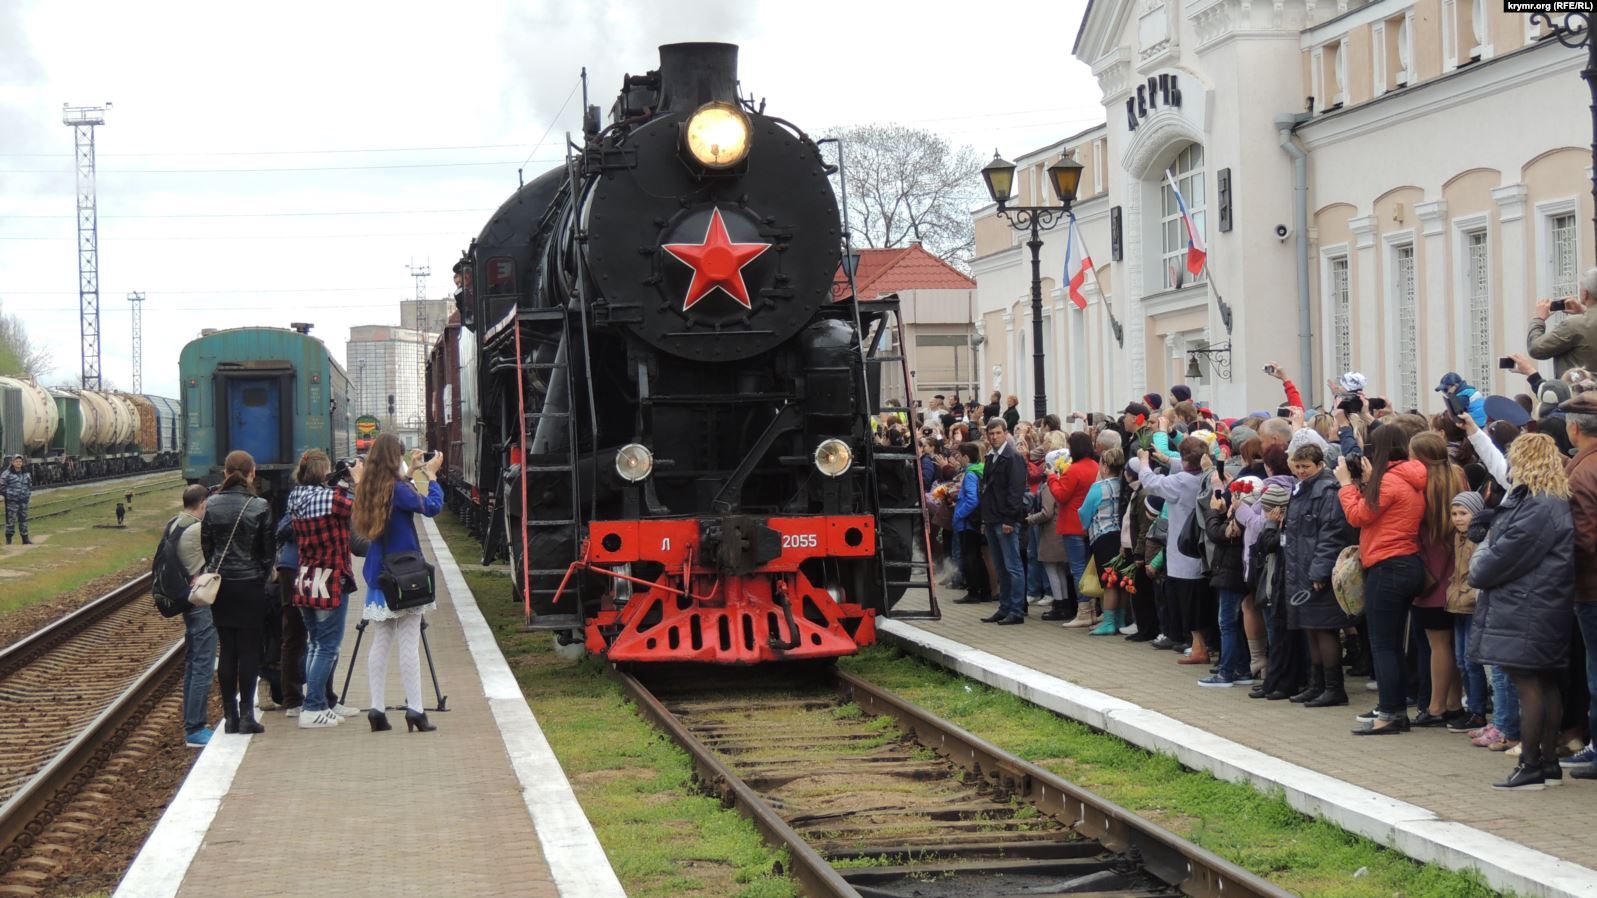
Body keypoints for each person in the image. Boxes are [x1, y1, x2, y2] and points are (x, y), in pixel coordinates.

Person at [1467, 433, 1577, 789]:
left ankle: (1532, 765)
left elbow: (1494, 563)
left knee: (1529, 685)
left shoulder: (1538, 505)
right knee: (1544, 684)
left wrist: (1481, 554)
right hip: (1540, 604)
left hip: (1526, 606)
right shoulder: (1545, 500)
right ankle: (1547, 764)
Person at [1336, 424, 1428, 735]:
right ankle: (1394, 707)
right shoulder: (1408, 477)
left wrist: (1347, 485)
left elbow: (1359, 516)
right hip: (1406, 563)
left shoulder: (1389, 482)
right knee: (1393, 644)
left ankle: (1390, 712)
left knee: (1384, 645)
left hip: (1388, 566)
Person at [352, 435, 445, 733]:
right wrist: (430, 476)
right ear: (395, 458)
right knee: (408, 641)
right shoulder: (399, 489)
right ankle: (415, 711)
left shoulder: (368, 488)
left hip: (379, 575)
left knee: (380, 641)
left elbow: (395, 494)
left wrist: (412, 472)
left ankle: (376, 710)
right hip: (405, 576)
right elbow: (431, 506)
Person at [286, 450, 360, 729]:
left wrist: (342, 484)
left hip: (306, 579)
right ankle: (313, 706)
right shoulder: (332, 499)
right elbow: (358, 509)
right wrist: (358, 480)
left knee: (316, 644)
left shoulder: (295, 498)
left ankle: (317, 702)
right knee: (327, 646)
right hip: (330, 581)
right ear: (323, 472)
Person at [202, 450, 275, 735]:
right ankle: (247, 714)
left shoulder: (210, 505)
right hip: (250, 585)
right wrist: (257, 574)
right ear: (252, 473)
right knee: (249, 651)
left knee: (228, 649)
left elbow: (208, 549)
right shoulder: (260, 506)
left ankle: (229, 716)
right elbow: (268, 554)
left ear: (225, 473)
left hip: (221, 587)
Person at [1129, 437, 1214, 664]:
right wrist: (1166, 459)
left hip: (1182, 553)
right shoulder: (1207, 475)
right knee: (1200, 602)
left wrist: (1144, 460)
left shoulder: (1181, 482)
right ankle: (1201, 645)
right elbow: (1188, 466)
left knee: (1189, 605)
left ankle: (1198, 648)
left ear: (1185, 459)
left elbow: (1150, 481)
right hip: (1199, 549)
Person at [1282, 443, 1355, 706]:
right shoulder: (1302, 488)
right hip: (1301, 567)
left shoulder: (1327, 490)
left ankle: (1334, 688)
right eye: (1297, 466)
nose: (1301, 471)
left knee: (1325, 629)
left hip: (1316, 570)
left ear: (1319, 464)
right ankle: (1317, 684)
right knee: (1310, 628)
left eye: (1306, 467)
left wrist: (1320, 571)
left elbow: (1331, 535)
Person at [1409, 432, 1467, 728]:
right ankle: (1455, 703)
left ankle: (1435, 707)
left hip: (1429, 576)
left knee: (1437, 644)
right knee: (1452, 644)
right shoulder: (1458, 476)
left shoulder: (1421, 486)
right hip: (1455, 573)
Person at [1558, 393, 1597, 775]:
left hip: (1591, 587)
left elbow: (1584, 539)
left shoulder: (1582, 471)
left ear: (1573, 427)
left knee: (1596, 672)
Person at [173, 484, 216, 747]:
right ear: (202, 504)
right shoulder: (197, 529)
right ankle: (195, 728)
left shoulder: (175, 523)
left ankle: (192, 723)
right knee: (202, 664)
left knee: (192, 662)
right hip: (200, 602)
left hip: (187, 601)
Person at [1446, 491, 1489, 735]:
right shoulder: (1458, 538)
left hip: (1471, 603)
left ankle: (1477, 710)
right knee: (1461, 659)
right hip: (1458, 603)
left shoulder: (1478, 539)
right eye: (1454, 514)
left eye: (1463, 513)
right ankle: (1473, 706)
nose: (1458, 519)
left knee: (1471, 660)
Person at [1047, 431, 1100, 628]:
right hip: (1090, 524)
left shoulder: (1074, 469)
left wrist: (1052, 478)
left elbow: (1061, 495)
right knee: (1089, 568)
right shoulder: (1095, 466)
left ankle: (1084, 610)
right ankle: (1093, 610)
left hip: (1073, 523)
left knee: (1078, 569)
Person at [978, 419, 1028, 625]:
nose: (994, 437)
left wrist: (1009, 519)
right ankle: (1004, 607)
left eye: (998, 433)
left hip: (1005, 519)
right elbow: (987, 490)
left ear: (1005, 433)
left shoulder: (1013, 457)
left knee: (1012, 566)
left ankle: (1016, 609)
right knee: (1000, 567)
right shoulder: (991, 457)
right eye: (991, 433)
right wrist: (984, 519)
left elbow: (1015, 492)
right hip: (991, 518)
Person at [1080, 448, 1126, 636]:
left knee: (1109, 583)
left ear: (1105, 467)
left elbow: (1085, 513)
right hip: (1122, 537)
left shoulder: (1098, 487)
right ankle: (1122, 619)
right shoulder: (1124, 485)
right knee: (1122, 581)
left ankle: (1108, 622)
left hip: (1102, 536)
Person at [1528, 271, 1597, 376]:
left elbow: (1536, 349)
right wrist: (1583, 311)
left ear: (1585, 293)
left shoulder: (1573, 325)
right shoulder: (1581, 322)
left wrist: (1538, 319)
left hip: (1581, 390)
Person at [951, 443, 991, 605]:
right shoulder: (978, 471)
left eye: (960, 456)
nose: (958, 459)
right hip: (974, 521)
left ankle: (973, 592)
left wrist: (958, 515)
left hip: (967, 522)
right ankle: (985, 591)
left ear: (966, 457)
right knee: (977, 557)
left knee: (970, 558)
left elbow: (972, 500)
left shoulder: (970, 475)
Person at [2, 455, 32, 545]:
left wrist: (27, 494)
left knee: (24, 519)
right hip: (12, 501)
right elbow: (1, 486)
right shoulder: (7, 474)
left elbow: (29, 485)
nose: (18, 463)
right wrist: (8, 494)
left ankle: (25, 539)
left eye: (20, 461)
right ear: (12, 462)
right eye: (16, 461)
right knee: (10, 520)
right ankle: (8, 539)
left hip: (23, 500)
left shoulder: (26, 473)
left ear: (22, 463)